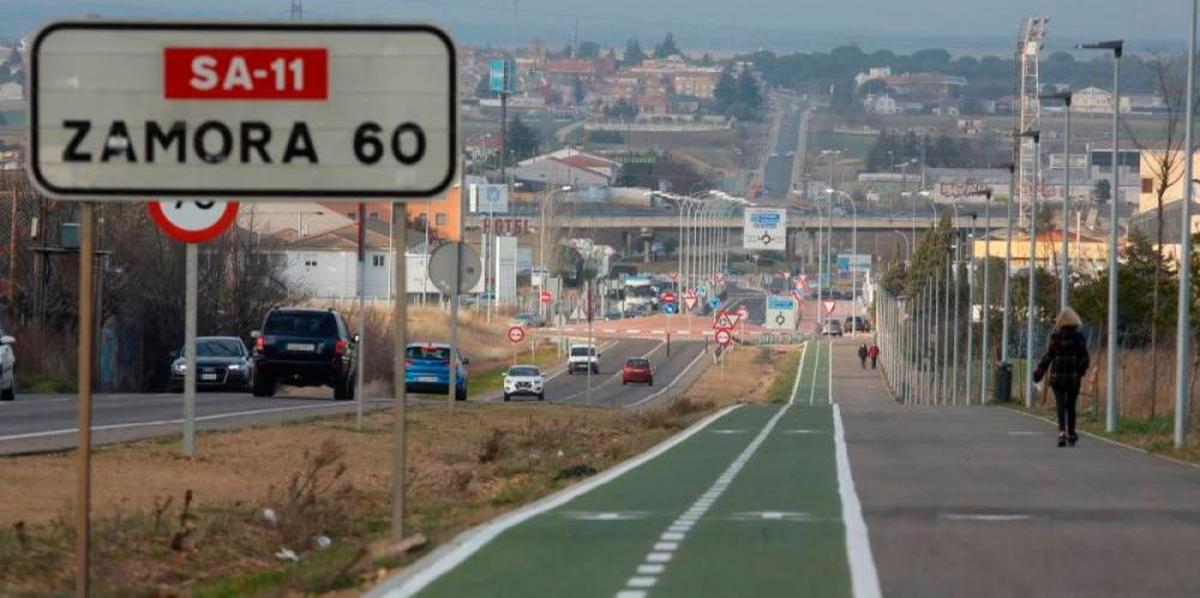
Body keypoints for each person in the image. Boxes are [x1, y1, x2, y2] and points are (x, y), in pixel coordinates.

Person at [1034, 308, 1090, 448]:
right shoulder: (1079, 338)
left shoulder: (1055, 337)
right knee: (1071, 405)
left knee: (1060, 405)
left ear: (1060, 321)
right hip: (1073, 378)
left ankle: (1061, 433)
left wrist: (1039, 373)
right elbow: (1085, 359)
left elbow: (1048, 357)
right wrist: (1080, 371)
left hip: (1057, 377)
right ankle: (1071, 434)